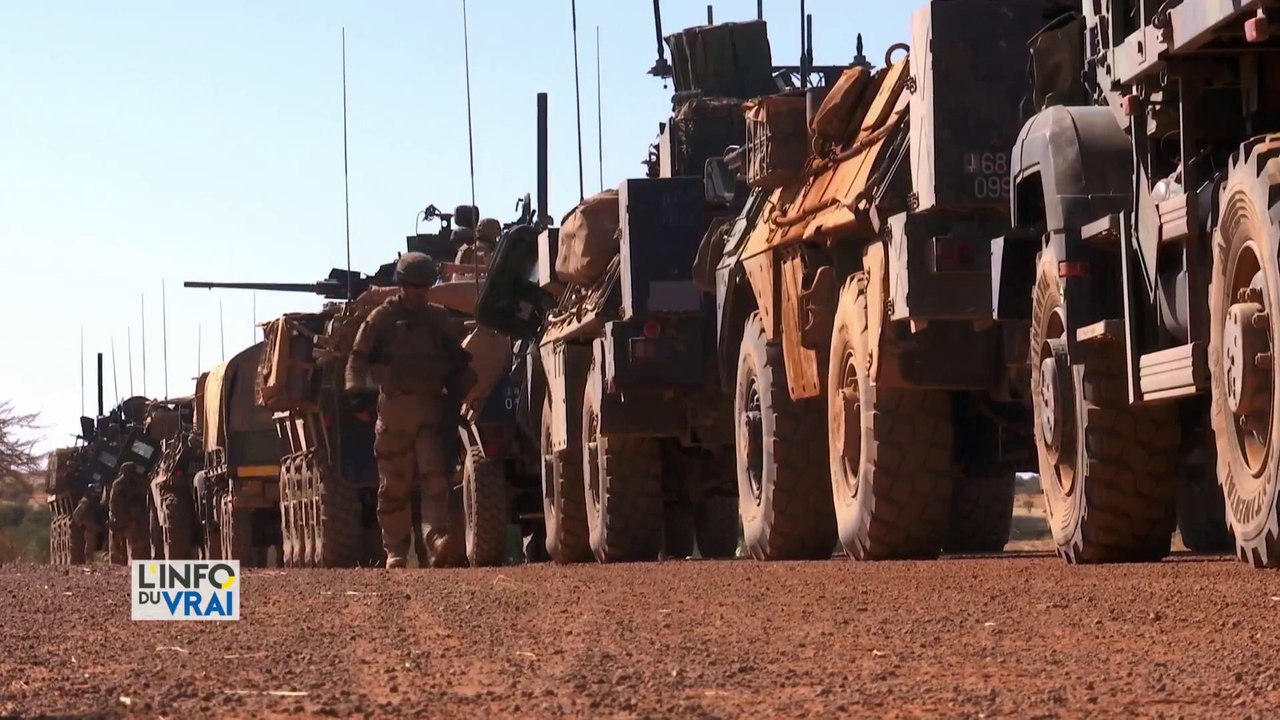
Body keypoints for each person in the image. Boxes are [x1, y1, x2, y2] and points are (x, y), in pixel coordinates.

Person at [345, 252, 476, 568]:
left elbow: (458, 360)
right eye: (414, 285)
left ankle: (436, 539)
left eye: (425, 285)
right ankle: (396, 550)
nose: (419, 291)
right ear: (401, 284)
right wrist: (355, 395)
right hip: (395, 409)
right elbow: (357, 358)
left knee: (436, 480)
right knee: (395, 483)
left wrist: (461, 378)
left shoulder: (438, 318)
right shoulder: (381, 318)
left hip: (432, 410)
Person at [107, 461, 153, 562]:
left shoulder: (138, 483)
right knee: (117, 547)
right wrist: (117, 518)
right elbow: (113, 503)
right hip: (121, 518)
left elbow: (143, 499)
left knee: (135, 546)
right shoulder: (118, 484)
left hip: (133, 519)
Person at [71, 484, 103, 562]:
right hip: (90, 528)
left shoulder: (94, 502)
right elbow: (76, 515)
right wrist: (83, 524)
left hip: (96, 527)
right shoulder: (85, 502)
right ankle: (89, 561)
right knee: (90, 545)